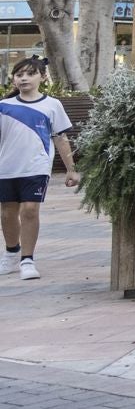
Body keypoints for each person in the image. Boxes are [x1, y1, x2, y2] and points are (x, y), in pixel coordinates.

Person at [0, 57, 78, 281]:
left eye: (29, 74)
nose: (23, 78)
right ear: (13, 79)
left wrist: (71, 169)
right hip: (6, 168)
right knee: (7, 213)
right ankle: (12, 251)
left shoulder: (52, 105)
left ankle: (27, 260)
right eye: (19, 74)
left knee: (30, 210)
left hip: (36, 167)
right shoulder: (4, 106)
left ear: (42, 77)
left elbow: (61, 139)